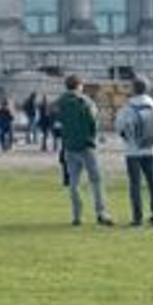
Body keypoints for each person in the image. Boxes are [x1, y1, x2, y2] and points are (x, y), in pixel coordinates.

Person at [55, 77, 112, 228]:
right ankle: (101, 212)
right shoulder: (85, 102)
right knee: (96, 180)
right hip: (86, 145)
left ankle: (77, 215)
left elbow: (56, 124)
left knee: (74, 183)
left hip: (69, 146)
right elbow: (93, 122)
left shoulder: (60, 103)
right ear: (79, 86)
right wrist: (93, 137)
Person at [115, 77, 153, 228]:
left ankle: (138, 218)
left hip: (133, 150)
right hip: (151, 149)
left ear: (133, 89)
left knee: (135, 185)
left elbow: (119, 126)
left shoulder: (128, 106)